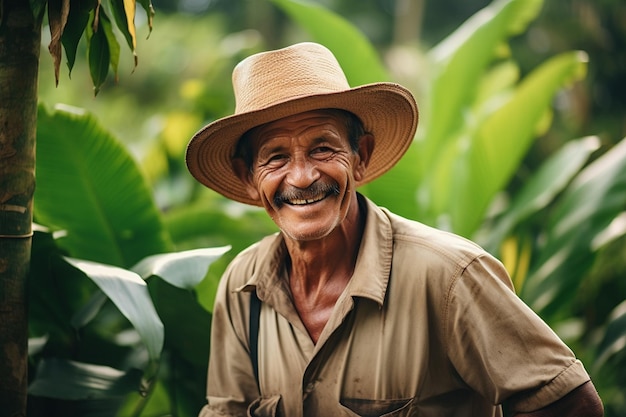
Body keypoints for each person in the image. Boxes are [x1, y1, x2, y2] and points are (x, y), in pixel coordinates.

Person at [185, 42, 603, 417]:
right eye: (275, 157)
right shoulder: (243, 285)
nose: (302, 176)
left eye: (323, 148)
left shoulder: (448, 275)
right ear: (247, 177)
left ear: (361, 156)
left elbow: (570, 404)